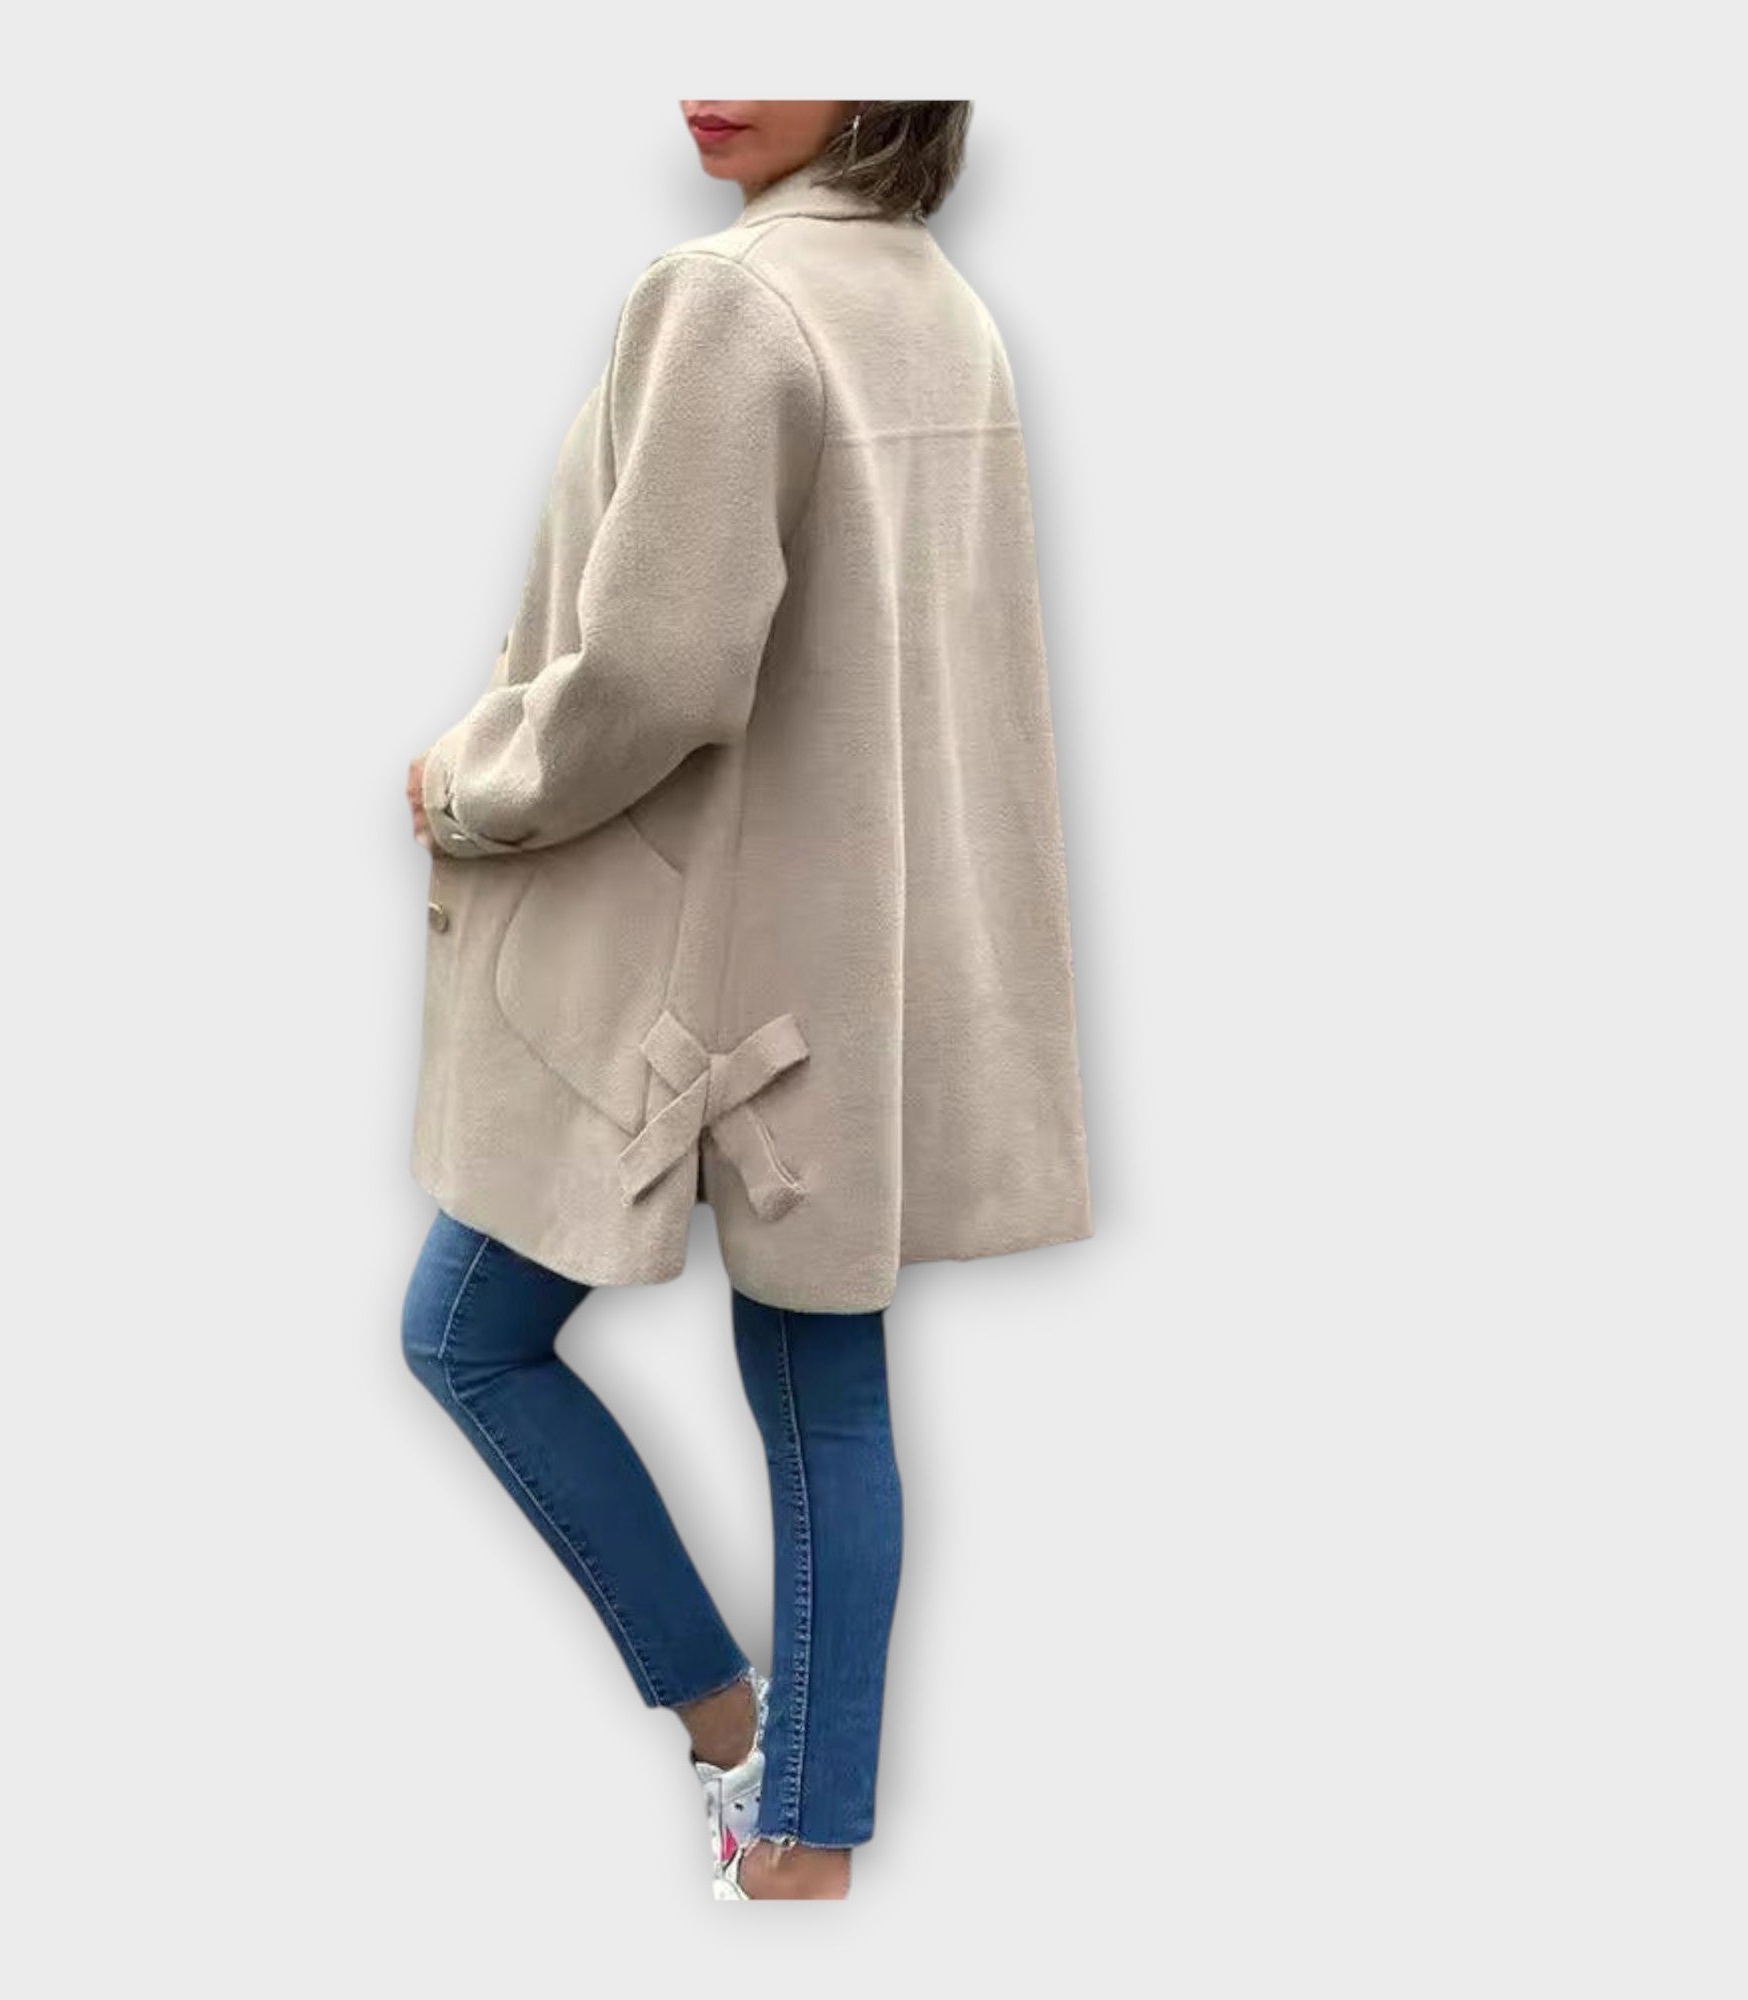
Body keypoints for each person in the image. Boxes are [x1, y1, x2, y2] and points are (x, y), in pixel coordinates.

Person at [401, 100, 1093, 1901]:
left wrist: (470, 784)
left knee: (468, 1334)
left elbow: (657, 670)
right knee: (823, 1393)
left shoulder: (732, 298)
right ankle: (797, 1822)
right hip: (856, 948)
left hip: (697, 968)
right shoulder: (941, 304)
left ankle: (742, 1753)